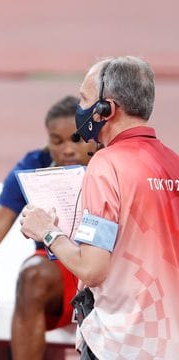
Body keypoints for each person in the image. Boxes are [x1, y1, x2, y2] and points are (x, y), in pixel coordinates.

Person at [20, 56, 179, 359]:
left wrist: (49, 233)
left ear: (106, 109)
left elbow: (92, 268)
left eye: (84, 99)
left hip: (122, 342)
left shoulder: (107, 164)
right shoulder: (173, 163)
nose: (80, 108)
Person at [0, 95, 96, 359]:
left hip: (103, 264)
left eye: (76, 139)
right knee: (32, 275)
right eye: (56, 141)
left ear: (93, 138)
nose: (67, 150)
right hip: (60, 269)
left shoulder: (110, 164)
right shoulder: (32, 166)